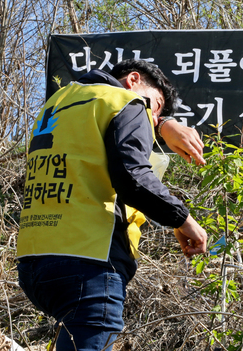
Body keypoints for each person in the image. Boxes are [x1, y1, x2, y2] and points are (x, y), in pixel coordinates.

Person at [16, 59, 207, 351]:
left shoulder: (59, 102)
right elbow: (132, 176)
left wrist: (161, 122)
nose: (152, 118)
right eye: (156, 106)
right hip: (89, 260)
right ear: (133, 79)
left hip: (35, 261)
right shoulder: (124, 101)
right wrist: (183, 219)